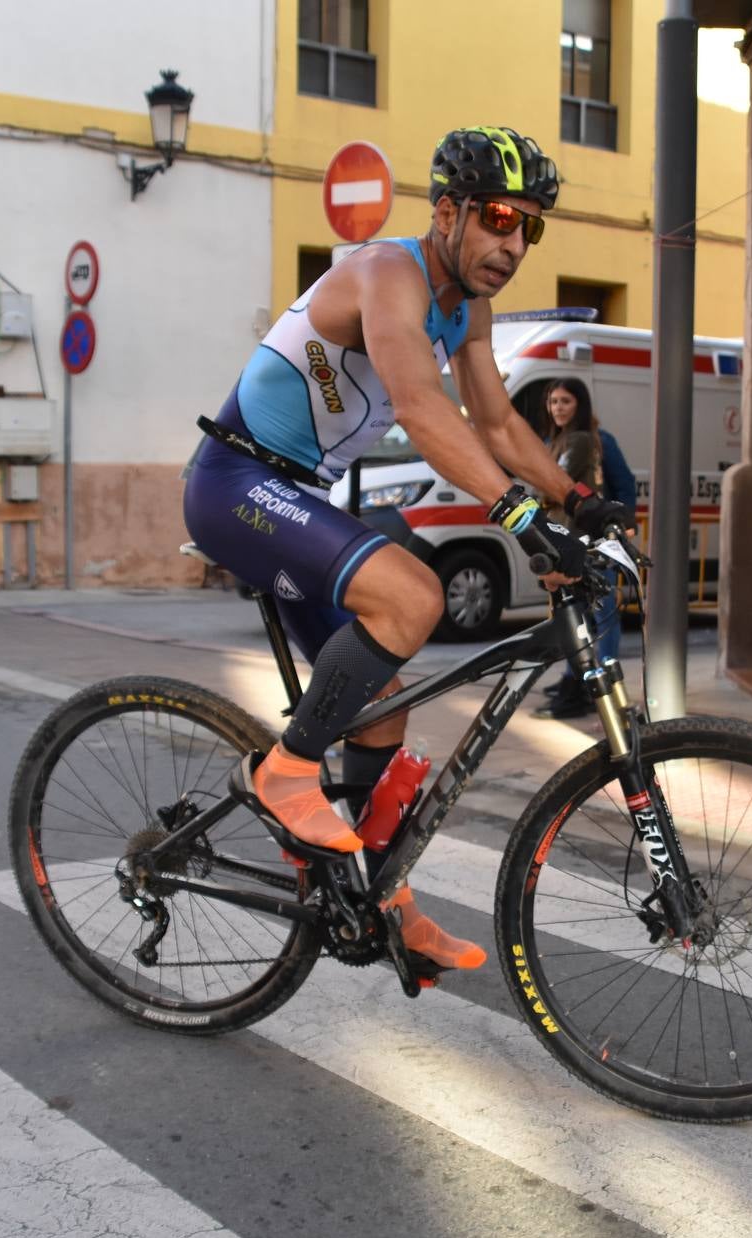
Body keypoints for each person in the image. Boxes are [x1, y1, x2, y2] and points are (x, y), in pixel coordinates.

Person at [182, 126, 629, 980]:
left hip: (299, 498)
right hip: (236, 481)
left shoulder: (465, 307)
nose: (511, 243)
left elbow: (497, 423)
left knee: (381, 705)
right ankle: (283, 775)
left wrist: (579, 501)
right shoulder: (388, 273)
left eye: (528, 227)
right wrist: (520, 515)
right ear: (450, 212)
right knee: (414, 597)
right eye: (498, 218)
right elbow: (425, 411)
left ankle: (371, 898)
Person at [534, 378, 637, 720]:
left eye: (565, 401)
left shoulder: (594, 441)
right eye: (553, 401)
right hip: (565, 536)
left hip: (592, 540)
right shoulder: (554, 441)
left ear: (580, 404)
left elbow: (622, 484)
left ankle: (602, 681)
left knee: (602, 612)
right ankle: (574, 677)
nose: (558, 408)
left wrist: (622, 523)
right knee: (573, 613)